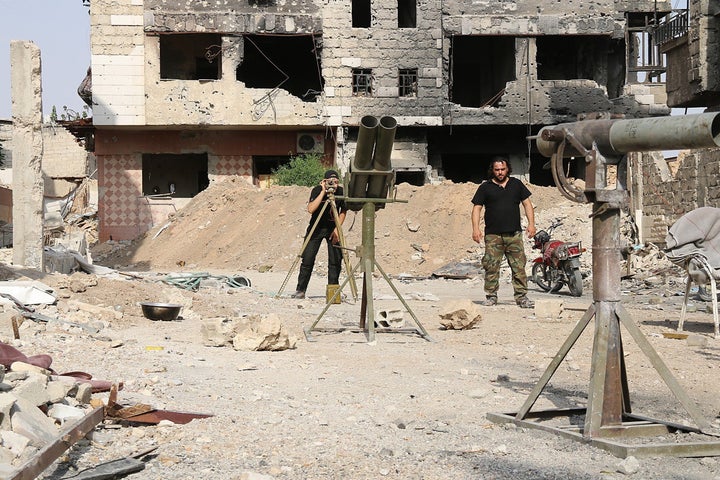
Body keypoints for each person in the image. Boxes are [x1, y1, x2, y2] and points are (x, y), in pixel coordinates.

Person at [471, 156, 536, 308]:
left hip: (514, 234)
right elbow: (476, 208)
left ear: (508, 169)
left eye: (502, 169)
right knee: (491, 266)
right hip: (493, 236)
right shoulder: (485, 187)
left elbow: (527, 204)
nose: (500, 172)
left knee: (519, 267)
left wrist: (531, 224)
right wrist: (475, 229)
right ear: (492, 171)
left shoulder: (517, 184)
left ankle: (522, 297)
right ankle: (491, 296)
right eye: (497, 170)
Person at [291, 169, 347, 299]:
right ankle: (301, 290)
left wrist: (337, 230)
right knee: (308, 259)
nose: (333, 184)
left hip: (333, 228)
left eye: (335, 181)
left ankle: (333, 291)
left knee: (335, 260)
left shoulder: (341, 192)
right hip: (316, 227)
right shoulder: (317, 190)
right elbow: (310, 209)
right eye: (329, 181)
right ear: (324, 181)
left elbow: (343, 211)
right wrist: (323, 191)